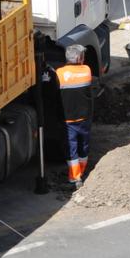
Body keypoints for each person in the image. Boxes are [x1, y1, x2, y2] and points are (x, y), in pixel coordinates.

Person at [54, 45, 94, 189]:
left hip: (68, 119)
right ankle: (82, 172)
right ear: (79, 58)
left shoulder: (59, 73)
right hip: (84, 118)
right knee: (84, 145)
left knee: (72, 148)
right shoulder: (87, 71)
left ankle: (74, 177)